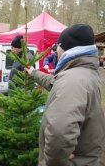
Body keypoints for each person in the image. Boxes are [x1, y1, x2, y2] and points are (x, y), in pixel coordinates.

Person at [25, 24, 105, 166]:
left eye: (56, 47)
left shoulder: (73, 79)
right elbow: (55, 82)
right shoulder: (84, 72)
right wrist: (34, 73)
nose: (55, 52)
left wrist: (56, 161)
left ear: (66, 47)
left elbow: (59, 133)